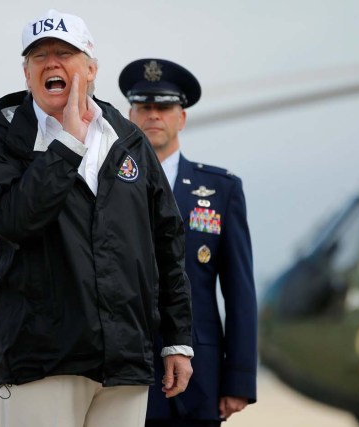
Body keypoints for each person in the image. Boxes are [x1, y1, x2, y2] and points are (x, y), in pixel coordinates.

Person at [0, 10, 194, 427]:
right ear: (26, 73)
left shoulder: (128, 140)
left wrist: (177, 340)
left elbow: (168, 240)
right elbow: (14, 221)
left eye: (64, 53)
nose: (51, 62)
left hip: (124, 360)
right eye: (40, 56)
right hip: (42, 360)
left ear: (90, 69)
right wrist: (68, 143)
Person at [119, 58, 257, 427]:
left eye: (163, 107)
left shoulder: (220, 191)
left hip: (199, 374)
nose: (153, 116)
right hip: (123, 371)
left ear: (181, 117)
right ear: (129, 115)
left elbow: (239, 289)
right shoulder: (107, 185)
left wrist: (239, 378)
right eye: (144, 107)